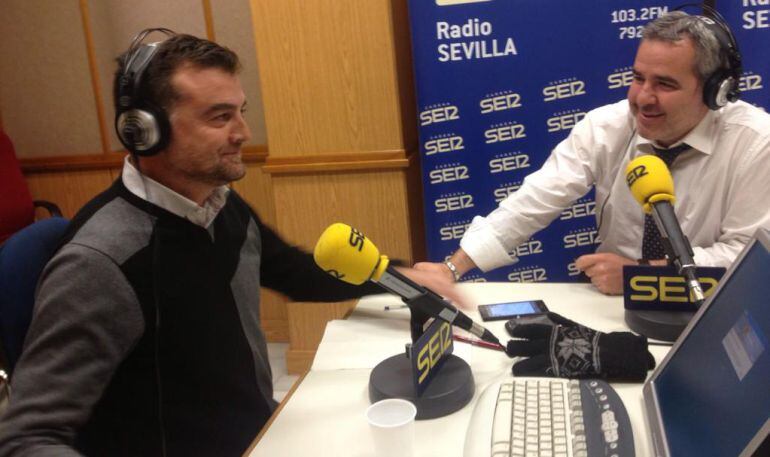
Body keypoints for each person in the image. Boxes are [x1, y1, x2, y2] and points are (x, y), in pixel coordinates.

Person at [0, 32, 461, 456]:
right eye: (220, 117)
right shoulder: (101, 263)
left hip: (257, 433)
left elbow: (293, 273)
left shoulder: (221, 206)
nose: (242, 132)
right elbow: (28, 437)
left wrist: (397, 275)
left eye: (241, 112)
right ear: (144, 130)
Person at [416, 11, 770, 295]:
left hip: (711, 304)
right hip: (614, 303)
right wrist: (452, 268)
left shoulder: (756, 143)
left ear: (716, 92)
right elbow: (535, 200)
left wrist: (638, 276)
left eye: (665, 84)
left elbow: (747, 254)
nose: (643, 98)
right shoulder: (607, 126)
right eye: (638, 77)